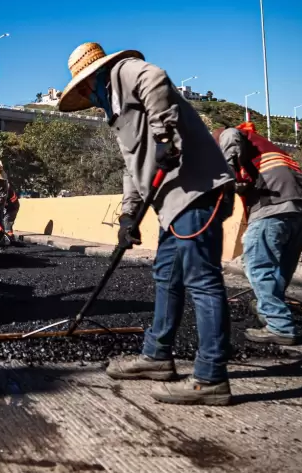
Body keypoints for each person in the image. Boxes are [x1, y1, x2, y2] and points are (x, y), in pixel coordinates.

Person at [57, 42, 235, 406]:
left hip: (196, 191)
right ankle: (157, 357)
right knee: (166, 277)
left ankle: (211, 376)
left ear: (92, 80)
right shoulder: (118, 114)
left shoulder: (125, 73)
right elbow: (134, 169)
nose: (88, 98)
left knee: (202, 281)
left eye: (85, 90)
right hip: (170, 205)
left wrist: (165, 136)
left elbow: (157, 79)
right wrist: (127, 215)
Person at [214, 121, 302, 346]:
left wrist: (226, 174)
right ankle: (269, 309)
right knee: (280, 268)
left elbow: (229, 135)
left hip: (275, 203)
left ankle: (280, 326)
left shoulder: (230, 135)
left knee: (258, 264)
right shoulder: (264, 148)